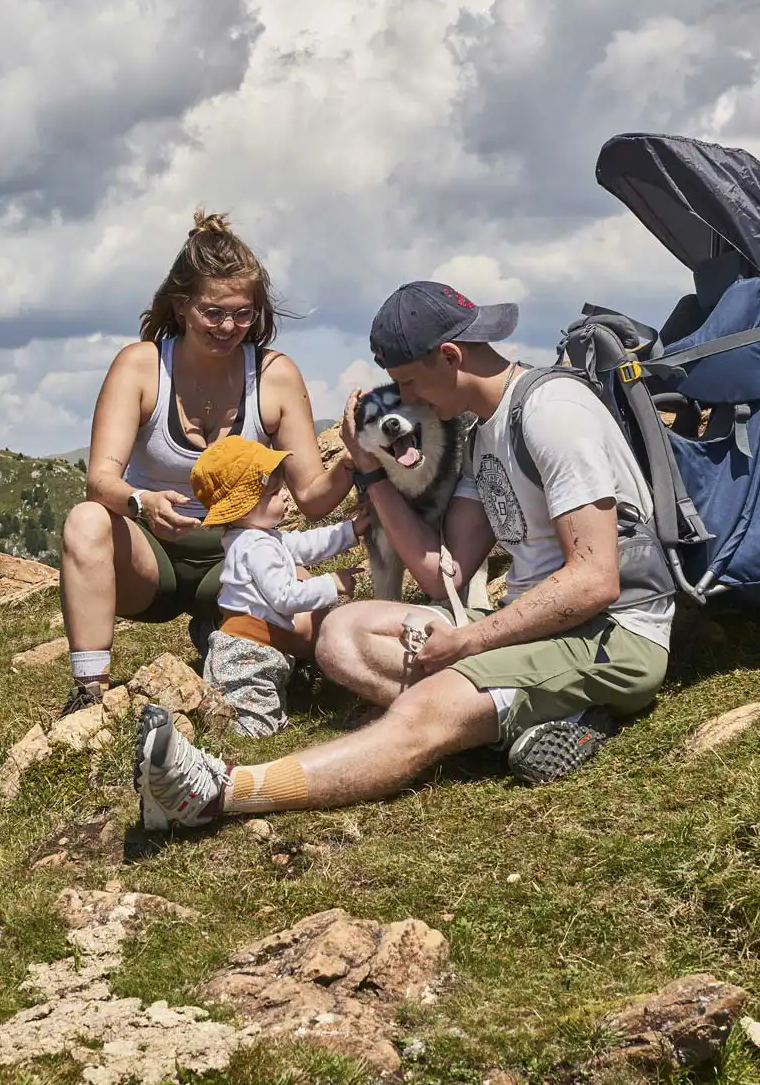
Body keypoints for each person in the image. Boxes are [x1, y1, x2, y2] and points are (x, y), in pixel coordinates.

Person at [134, 280, 674, 827]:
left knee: (426, 706)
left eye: (409, 382)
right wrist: (368, 471)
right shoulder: (483, 431)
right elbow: (444, 574)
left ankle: (217, 792)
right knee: (342, 638)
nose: (409, 400)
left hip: (610, 632)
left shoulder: (552, 413)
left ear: (450, 356)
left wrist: (467, 641)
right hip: (533, 625)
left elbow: (594, 580)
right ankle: (540, 715)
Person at [58, 211, 354, 713]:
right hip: (153, 557)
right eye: (213, 312)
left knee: (312, 630)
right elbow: (99, 481)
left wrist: (351, 459)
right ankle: (89, 691)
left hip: (241, 553)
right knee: (85, 520)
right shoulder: (141, 366)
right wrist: (142, 501)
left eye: (242, 314)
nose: (228, 327)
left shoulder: (275, 375)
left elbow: (312, 498)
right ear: (182, 305)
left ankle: (223, 633)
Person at [188, 435, 368, 739]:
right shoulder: (254, 545)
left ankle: (215, 711)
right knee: (252, 727)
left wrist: (350, 530)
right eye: (272, 492)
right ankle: (206, 726)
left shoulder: (258, 537)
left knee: (268, 716)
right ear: (242, 509)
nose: (284, 496)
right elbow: (285, 597)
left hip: (259, 650)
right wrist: (332, 583)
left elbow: (305, 544)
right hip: (248, 654)